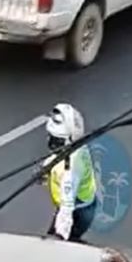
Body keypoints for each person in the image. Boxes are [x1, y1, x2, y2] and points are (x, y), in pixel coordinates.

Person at [41, 103, 99, 242]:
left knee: (66, 245)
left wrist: (59, 236)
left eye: (55, 140)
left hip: (77, 211)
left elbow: (67, 207)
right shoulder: (77, 145)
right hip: (83, 204)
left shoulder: (70, 169)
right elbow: (55, 159)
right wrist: (45, 170)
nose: (49, 141)